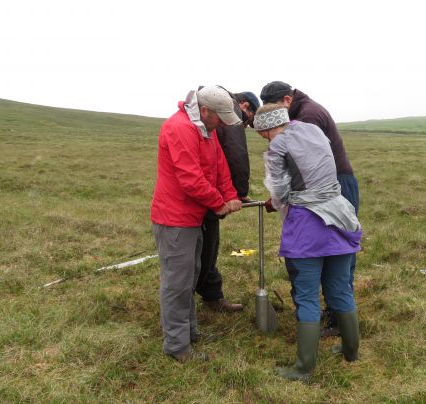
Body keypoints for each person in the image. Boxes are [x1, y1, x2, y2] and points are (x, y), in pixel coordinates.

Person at [253, 104, 362, 382]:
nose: (264, 138)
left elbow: (278, 192)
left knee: (306, 296)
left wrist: (275, 204)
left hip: (307, 227)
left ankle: (303, 368)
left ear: (266, 127)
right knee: (340, 289)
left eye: (261, 132)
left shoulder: (277, 147)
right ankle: (351, 352)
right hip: (340, 218)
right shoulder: (313, 129)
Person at [150, 85, 243, 362]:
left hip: (194, 217)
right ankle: (177, 346)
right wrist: (219, 203)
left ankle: (189, 332)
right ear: (204, 111)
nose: (223, 123)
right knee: (177, 283)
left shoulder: (207, 130)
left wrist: (230, 195)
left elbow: (219, 167)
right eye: (220, 117)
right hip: (175, 219)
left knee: (190, 276)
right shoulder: (179, 128)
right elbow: (190, 179)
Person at [195, 89, 260, 313]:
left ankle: (210, 293)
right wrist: (240, 193)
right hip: (206, 192)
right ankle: (201, 296)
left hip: (207, 187)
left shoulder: (207, 108)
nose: (245, 126)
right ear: (244, 106)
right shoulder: (228, 110)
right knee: (207, 244)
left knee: (206, 242)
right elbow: (236, 151)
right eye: (248, 121)